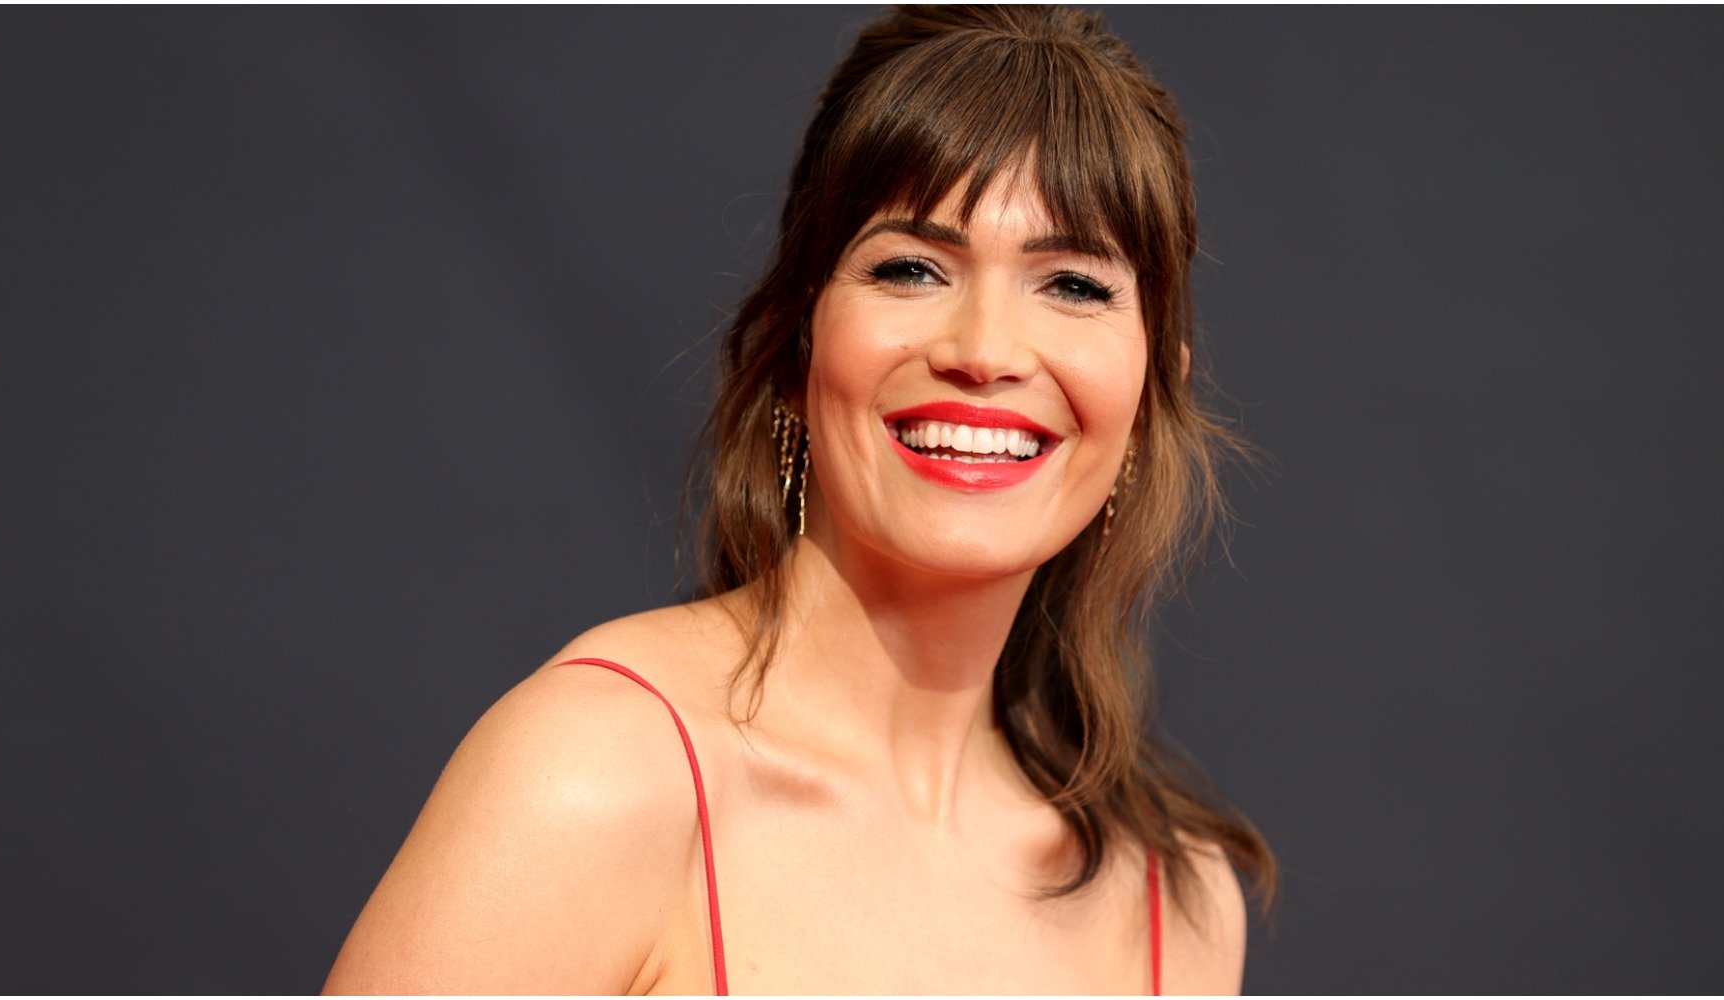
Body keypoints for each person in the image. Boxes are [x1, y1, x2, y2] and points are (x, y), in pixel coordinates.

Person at [324, 6, 1275, 994]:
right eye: (910, 268)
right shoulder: (597, 774)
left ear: (1149, 387)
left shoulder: (1172, 903)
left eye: (1072, 284)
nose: (984, 350)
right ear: (791, 345)